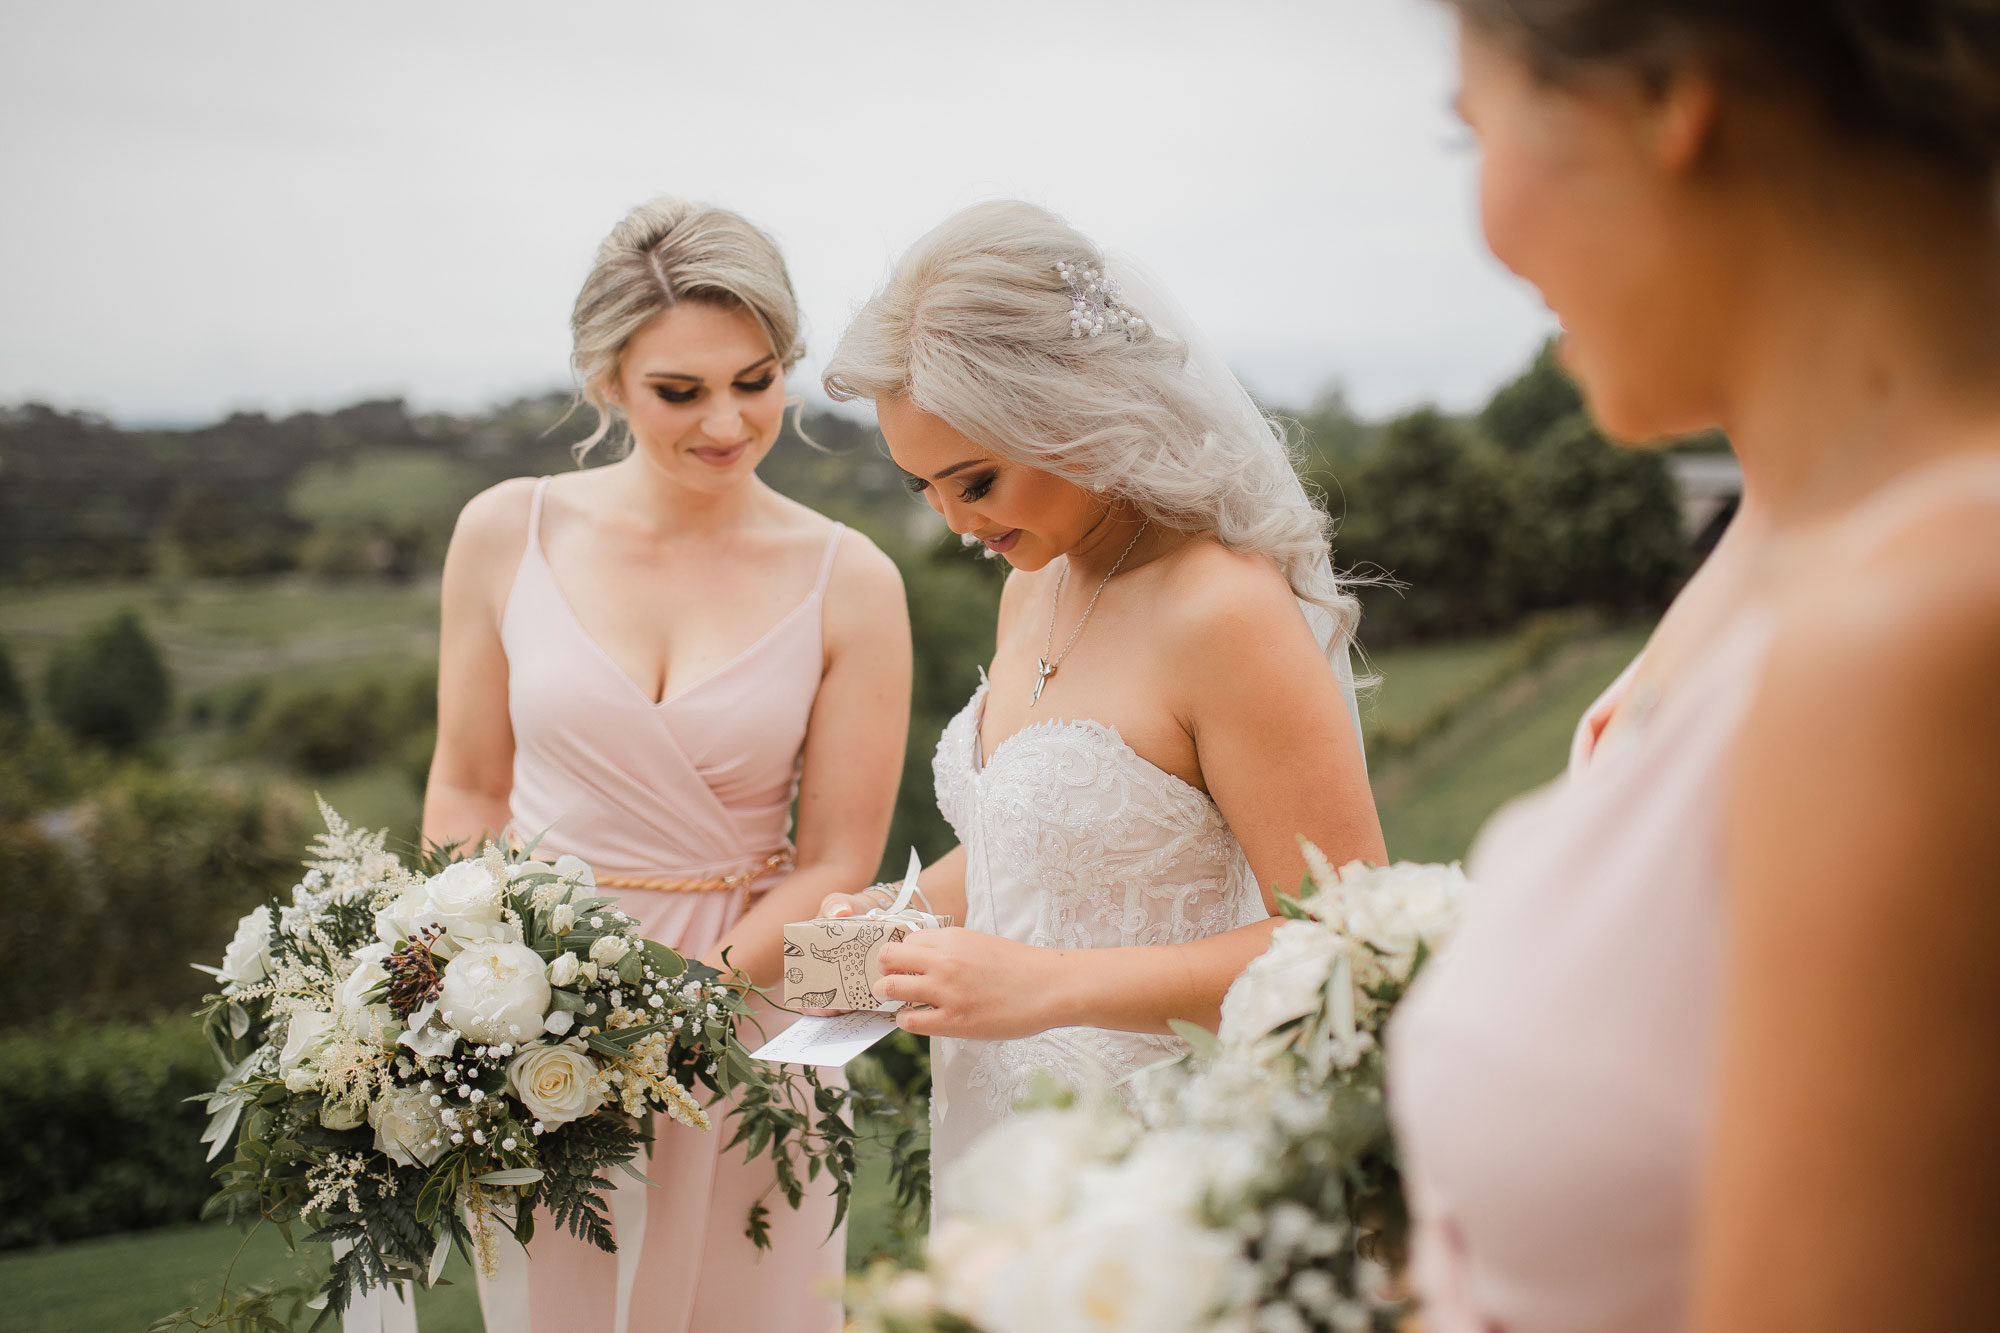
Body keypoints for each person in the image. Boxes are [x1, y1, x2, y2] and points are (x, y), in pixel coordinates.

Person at [1388, 4, 2000, 1330]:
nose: (1487, 228)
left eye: (1473, 135)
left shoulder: (1930, 634)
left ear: (1667, 94)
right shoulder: (1798, 529)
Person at [816, 200, 1386, 1183]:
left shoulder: (1221, 611)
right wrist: (885, 918)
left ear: (1069, 411)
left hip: (1167, 1155)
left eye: (975, 480)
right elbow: (1035, 841)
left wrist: (1048, 986)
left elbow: (1347, 941)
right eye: (924, 488)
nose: (954, 520)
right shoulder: (1031, 580)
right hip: (1001, 1137)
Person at [423, 198, 911, 1333]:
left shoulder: (853, 578)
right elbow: (467, 787)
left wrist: (668, 1014)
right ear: (605, 378)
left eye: (755, 379)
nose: (729, 423)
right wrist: (493, 981)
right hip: (538, 1038)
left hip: (759, 1019)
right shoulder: (504, 532)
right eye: (679, 391)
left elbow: (843, 856)